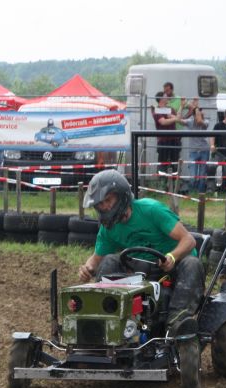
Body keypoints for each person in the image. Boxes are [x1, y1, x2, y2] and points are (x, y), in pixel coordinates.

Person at [77, 169, 204, 332]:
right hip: (139, 272)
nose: (104, 207)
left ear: (121, 196)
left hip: (173, 268)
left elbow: (189, 240)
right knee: (109, 260)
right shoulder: (108, 228)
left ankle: (177, 320)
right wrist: (87, 269)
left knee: (192, 263)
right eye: (100, 204)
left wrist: (172, 256)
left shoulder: (150, 210)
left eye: (107, 200)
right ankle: (106, 313)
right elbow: (96, 259)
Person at [180, 99, 210, 194]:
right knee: (193, 175)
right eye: (199, 111)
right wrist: (182, 106)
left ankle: (200, 194)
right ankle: (192, 193)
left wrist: (195, 108)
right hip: (193, 151)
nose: (201, 112)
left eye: (200, 111)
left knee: (201, 175)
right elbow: (178, 119)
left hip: (204, 150)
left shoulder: (205, 121)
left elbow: (200, 121)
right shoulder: (190, 121)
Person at [152, 91, 180, 175]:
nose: (167, 97)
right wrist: (174, 118)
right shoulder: (157, 110)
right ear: (161, 99)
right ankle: (162, 183)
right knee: (162, 164)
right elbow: (163, 122)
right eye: (165, 96)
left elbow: (178, 118)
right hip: (163, 140)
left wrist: (173, 118)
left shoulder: (171, 109)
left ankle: (174, 183)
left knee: (175, 162)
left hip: (174, 139)